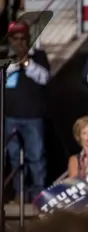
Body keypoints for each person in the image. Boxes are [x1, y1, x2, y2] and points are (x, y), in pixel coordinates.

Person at [5, 21, 50, 202]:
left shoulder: (38, 56)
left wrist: (27, 63)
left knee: (36, 156)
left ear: (29, 39)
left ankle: (39, 193)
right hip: (9, 116)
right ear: (10, 40)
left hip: (33, 116)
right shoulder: (4, 57)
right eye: (15, 39)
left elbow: (45, 78)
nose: (19, 43)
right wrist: (13, 64)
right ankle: (19, 193)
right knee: (14, 158)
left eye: (23, 38)